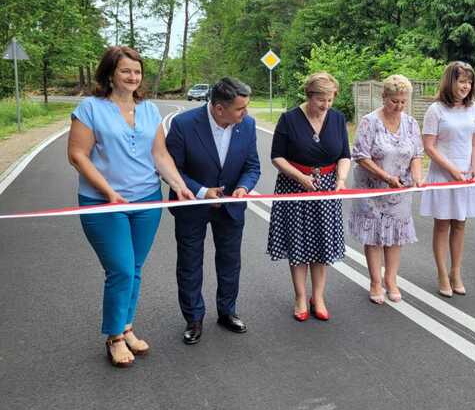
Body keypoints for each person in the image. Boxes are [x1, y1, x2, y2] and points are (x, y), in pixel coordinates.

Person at [67, 46, 194, 368]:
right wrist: (108, 191)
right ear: (110, 73)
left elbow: (160, 155)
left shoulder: (149, 110)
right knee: (121, 269)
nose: (132, 77)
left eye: (137, 72)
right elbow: (77, 155)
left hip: (147, 198)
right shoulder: (90, 109)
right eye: (126, 71)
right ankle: (114, 337)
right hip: (103, 202)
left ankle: (126, 326)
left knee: (134, 268)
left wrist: (179, 185)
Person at [165, 77, 261, 345]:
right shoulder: (184, 125)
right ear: (219, 108)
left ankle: (227, 311)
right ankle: (193, 318)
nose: (246, 114)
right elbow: (172, 169)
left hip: (231, 207)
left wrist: (243, 187)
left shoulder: (248, 125)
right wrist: (201, 191)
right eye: (240, 109)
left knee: (230, 261)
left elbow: (252, 166)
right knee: (190, 262)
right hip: (191, 206)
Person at [267, 72, 351, 321]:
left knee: (322, 241)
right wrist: (301, 178)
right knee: (299, 241)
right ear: (309, 96)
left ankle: (319, 296)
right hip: (294, 185)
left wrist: (341, 179)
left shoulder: (337, 119)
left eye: (330, 100)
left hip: (326, 186)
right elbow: (277, 157)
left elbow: (344, 154)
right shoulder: (289, 119)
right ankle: (300, 297)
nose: (326, 105)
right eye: (321, 100)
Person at [349, 75, 424, 304]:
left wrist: (418, 177)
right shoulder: (369, 122)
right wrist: (385, 176)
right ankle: (375, 281)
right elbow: (360, 155)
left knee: (395, 236)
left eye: (403, 101)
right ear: (384, 97)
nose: (399, 106)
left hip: (399, 189)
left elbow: (417, 154)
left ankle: (391, 280)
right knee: (374, 236)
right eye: (394, 101)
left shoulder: (410, 123)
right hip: (373, 187)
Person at [420, 61, 475, 297]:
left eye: (469, 82)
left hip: (466, 176)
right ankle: (442, 273)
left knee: (460, 224)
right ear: (450, 81)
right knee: (443, 225)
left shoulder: (474, 109)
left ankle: (456, 272)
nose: (466, 86)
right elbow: (429, 146)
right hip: (443, 174)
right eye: (461, 81)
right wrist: (451, 169)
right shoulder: (435, 110)